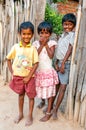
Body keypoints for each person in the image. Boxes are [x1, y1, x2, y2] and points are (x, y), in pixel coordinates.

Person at [6, 21, 39, 126]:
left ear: (32, 35)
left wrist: (29, 77)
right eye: (24, 34)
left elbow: (36, 64)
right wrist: (12, 72)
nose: (26, 36)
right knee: (20, 95)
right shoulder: (15, 47)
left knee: (31, 97)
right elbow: (8, 59)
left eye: (29, 34)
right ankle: (20, 114)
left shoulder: (33, 49)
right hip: (19, 77)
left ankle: (30, 115)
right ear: (20, 34)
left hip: (30, 78)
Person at [32, 21, 59, 122]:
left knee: (49, 92)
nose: (44, 35)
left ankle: (48, 112)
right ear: (38, 33)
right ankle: (42, 102)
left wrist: (46, 45)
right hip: (39, 72)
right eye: (42, 33)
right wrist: (41, 45)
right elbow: (35, 55)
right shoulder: (35, 43)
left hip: (48, 72)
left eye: (46, 33)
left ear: (50, 34)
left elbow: (51, 55)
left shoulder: (52, 43)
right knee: (40, 89)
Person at [52, 13, 76, 119]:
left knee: (62, 87)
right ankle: (51, 107)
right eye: (65, 24)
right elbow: (59, 50)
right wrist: (56, 62)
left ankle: (55, 110)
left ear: (73, 25)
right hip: (59, 63)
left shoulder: (72, 35)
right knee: (55, 86)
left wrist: (62, 63)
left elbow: (70, 50)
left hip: (65, 65)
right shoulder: (62, 35)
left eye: (70, 24)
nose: (67, 27)